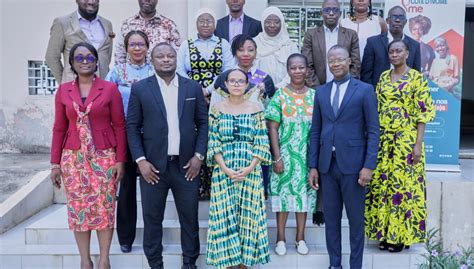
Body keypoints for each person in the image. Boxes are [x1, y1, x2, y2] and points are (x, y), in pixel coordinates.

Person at [127, 43, 208, 269]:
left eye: (170, 55)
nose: (166, 59)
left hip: (186, 166)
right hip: (152, 168)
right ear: (152, 60)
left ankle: (189, 263)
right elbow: (132, 127)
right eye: (160, 56)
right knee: (152, 220)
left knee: (189, 219)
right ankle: (155, 264)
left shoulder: (192, 88)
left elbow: (203, 123)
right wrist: (141, 161)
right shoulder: (141, 89)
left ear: (176, 59)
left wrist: (199, 156)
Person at [50, 42, 126, 269]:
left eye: (89, 57)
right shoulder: (64, 90)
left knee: (105, 206)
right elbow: (59, 128)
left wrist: (120, 159)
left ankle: (104, 258)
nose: (85, 61)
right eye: (79, 58)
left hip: (104, 157)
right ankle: (85, 260)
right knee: (79, 209)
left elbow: (120, 126)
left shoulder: (109, 88)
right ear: (72, 63)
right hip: (73, 159)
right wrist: (54, 164)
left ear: (96, 61)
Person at [308, 45, 379, 269]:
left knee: (356, 222)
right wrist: (313, 166)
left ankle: (355, 265)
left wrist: (368, 165)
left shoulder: (365, 90)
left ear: (349, 61)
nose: (336, 63)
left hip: (355, 167)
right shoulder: (321, 92)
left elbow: (374, 131)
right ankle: (335, 265)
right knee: (331, 221)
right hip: (327, 168)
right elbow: (316, 131)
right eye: (332, 60)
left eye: (340, 59)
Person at [365, 40, 435, 253]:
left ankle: (400, 236)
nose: (394, 55)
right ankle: (385, 234)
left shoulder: (416, 78)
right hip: (385, 140)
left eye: (398, 51)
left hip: (406, 142)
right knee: (383, 187)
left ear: (407, 53)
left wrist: (417, 144)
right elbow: (376, 108)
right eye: (391, 52)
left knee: (403, 189)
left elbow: (423, 113)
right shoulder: (383, 77)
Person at [206, 68, 271, 269]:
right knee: (223, 217)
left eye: (240, 81)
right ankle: (225, 264)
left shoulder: (256, 108)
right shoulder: (216, 108)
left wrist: (249, 168)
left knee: (248, 218)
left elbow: (261, 141)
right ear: (225, 84)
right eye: (232, 81)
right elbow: (213, 141)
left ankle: (244, 265)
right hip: (223, 171)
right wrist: (225, 169)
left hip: (250, 172)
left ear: (246, 84)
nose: (236, 84)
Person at [105, 30, 154, 253]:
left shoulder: (154, 71)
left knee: (151, 186)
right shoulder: (117, 72)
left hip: (151, 135)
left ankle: (153, 236)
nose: (137, 48)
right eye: (132, 44)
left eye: (141, 44)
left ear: (147, 46)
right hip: (124, 134)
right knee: (125, 188)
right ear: (126, 48)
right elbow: (105, 100)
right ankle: (126, 238)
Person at [265, 53, 317, 256]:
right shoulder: (280, 95)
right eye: (293, 68)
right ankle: (280, 238)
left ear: (307, 70)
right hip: (284, 157)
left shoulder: (314, 96)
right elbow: (272, 128)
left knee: (303, 197)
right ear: (288, 71)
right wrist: (276, 157)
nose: (297, 71)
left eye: (301, 67)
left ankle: (300, 238)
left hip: (306, 156)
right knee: (283, 198)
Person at [45, 0, 114, 83]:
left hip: (102, 86)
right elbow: (52, 57)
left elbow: (106, 57)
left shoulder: (107, 24)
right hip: (74, 87)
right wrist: (64, 83)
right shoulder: (63, 23)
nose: (91, 2)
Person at [177, 8, 234, 104]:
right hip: (191, 93)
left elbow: (228, 69)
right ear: (196, 24)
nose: (205, 24)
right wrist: (196, 90)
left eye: (209, 21)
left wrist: (208, 90)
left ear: (215, 24)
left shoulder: (223, 44)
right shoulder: (186, 44)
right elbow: (179, 69)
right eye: (201, 21)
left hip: (219, 93)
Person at [302, 0, 361, 88]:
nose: (331, 13)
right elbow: (307, 64)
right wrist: (318, 89)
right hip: (317, 88)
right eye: (327, 10)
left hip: (345, 88)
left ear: (340, 14)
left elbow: (355, 64)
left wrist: (347, 87)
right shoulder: (310, 35)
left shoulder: (351, 35)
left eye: (335, 10)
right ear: (321, 13)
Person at [210, 34, 276, 110]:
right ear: (234, 53)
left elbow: (271, 111)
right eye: (241, 50)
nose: (246, 54)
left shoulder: (265, 79)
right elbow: (214, 108)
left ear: (256, 53)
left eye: (250, 50)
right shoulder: (223, 77)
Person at [361, 5, 421, 88]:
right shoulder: (373, 42)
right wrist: (371, 95)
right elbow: (366, 75)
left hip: (406, 97)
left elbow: (417, 74)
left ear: (405, 21)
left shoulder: (414, 45)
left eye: (401, 17)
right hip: (378, 95)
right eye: (394, 17)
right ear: (387, 20)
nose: (397, 20)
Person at [114, 0, 181, 64]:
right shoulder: (126, 25)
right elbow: (119, 56)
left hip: (160, 75)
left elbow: (177, 56)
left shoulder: (169, 25)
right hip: (133, 75)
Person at [254, 6, 299, 87]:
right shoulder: (254, 43)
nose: (272, 25)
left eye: (276, 22)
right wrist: (262, 87)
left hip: (285, 91)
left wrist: (279, 87)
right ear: (262, 23)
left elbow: (296, 69)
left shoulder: (290, 45)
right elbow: (250, 67)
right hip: (258, 92)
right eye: (268, 22)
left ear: (282, 23)